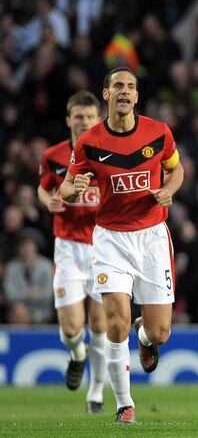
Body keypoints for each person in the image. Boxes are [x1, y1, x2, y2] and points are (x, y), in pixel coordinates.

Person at [61, 66, 184, 424]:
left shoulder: (158, 133)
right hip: (111, 239)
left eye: (130, 86)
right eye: (118, 86)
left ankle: (145, 339)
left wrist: (169, 190)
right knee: (116, 322)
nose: (125, 91)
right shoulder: (90, 142)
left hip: (152, 238)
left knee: (160, 332)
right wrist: (74, 189)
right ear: (107, 94)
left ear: (136, 95)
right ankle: (124, 404)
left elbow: (176, 169)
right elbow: (66, 186)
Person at [37, 90, 107, 413]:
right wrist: (47, 201)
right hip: (68, 248)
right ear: (69, 120)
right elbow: (43, 188)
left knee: (101, 326)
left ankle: (96, 394)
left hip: (103, 246)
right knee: (70, 329)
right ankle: (78, 354)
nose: (84, 122)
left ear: (98, 120)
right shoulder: (53, 156)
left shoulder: (109, 153)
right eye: (78, 116)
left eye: (90, 117)